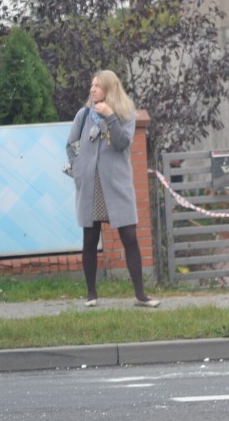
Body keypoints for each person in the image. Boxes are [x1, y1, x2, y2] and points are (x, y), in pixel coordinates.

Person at [66, 70, 160, 308]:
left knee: (129, 237)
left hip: (116, 186)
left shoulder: (125, 115)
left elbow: (121, 143)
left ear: (109, 89)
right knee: (90, 238)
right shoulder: (84, 114)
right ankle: (91, 294)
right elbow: (71, 144)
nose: (92, 89)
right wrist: (78, 168)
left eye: (97, 86)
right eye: (92, 85)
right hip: (91, 185)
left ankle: (140, 295)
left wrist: (110, 117)